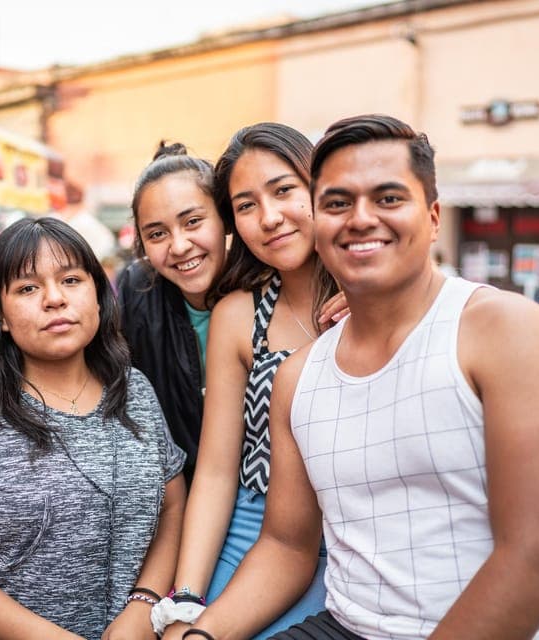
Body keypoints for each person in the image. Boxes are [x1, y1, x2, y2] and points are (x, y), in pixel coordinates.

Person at [183, 114, 539, 640]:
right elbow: (285, 546)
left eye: (388, 198)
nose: (360, 218)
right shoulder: (297, 377)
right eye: (337, 203)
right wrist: (198, 632)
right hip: (350, 624)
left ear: (434, 217)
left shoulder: (507, 331)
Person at [0, 217, 187, 640]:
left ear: (98, 295)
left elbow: (172, 507)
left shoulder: (135, 391)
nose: (54, 299)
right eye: (27, 288)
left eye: (71, 280)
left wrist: (143, 604)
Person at [158, 123, 342, 640]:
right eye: (246, 205)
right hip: (255, 523)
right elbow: (218, 471)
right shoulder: (239, 314)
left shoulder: (377, 296)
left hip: (350, 534)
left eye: (283, 190)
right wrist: (185, 598)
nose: (270, 217)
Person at [118, 142, 229, 483]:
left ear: (225, 218)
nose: (179, 246)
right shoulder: (137, 292)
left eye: (193, 222)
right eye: (157, 234)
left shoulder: (269, 288)